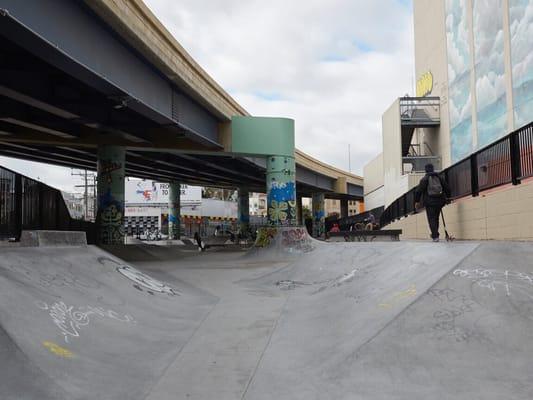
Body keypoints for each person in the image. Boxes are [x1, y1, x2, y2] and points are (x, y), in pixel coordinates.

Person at [414, 163, 451, 242]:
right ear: (433, 169)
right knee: (436, 218)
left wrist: (417, 201)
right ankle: (435, 234)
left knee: (431, 219)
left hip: (430, 202)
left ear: (426, 170)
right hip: (440, 201)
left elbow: (418, 191)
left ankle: (435, 236)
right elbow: (447, 188)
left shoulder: (424, 179)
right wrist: (448, 197)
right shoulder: (439, 177)